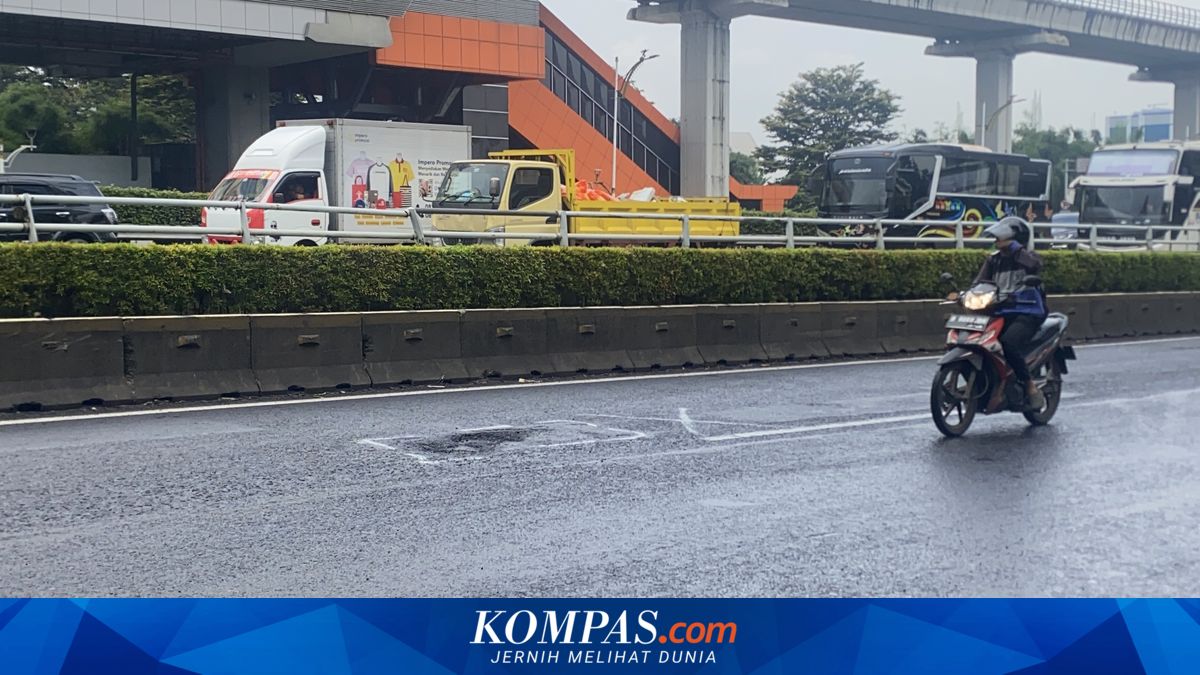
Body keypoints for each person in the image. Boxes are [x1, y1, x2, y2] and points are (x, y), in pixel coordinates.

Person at [974, 216, 1048, 409]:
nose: (997, 241)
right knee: (978, 341)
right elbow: (980, 283)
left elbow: (1035, 266)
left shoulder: (1027, 256)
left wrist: (1016, 250)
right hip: (1000, 310)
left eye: (1002, 237)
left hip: (1027, 310)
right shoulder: (993, 260)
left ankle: (1030, 386)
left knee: (1008, 343)